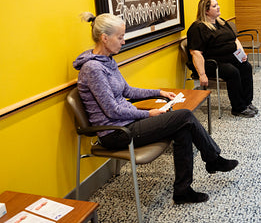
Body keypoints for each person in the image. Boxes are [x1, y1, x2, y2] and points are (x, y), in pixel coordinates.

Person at [73, 12, 238, 204]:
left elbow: (128, 90)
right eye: (120, 37)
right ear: (104, 38)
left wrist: (158, 92)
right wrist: (148, 113)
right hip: (115, 133)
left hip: (128, 123)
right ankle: (212, 159)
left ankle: (183, 190)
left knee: (183, 127)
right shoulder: (93, 69)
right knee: (184, 115)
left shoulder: (108, 61)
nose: (123, 42)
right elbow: (112, 111)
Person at [187, 0, 258, 118]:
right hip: (212, 62)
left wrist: (241, 53)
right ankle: (238, 108)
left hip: (230, 57)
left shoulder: (222, 22)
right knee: (233, 72)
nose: (218, 7)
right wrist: (202, 74)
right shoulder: (198, 28)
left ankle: (247, 102)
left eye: (217, 4)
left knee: (246, 67)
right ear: (206, 11)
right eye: (214, 6)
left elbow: (235, 40)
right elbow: (196, 53)